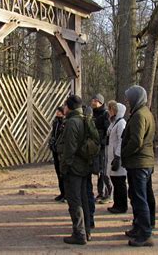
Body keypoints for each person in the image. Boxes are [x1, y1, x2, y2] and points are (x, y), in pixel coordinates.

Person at [121, 85, 156, 247]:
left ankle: (145, 233)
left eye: (129, 98)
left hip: (138, 162)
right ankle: (140, 227)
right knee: (141, 196)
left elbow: (136, 141)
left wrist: (124, 153)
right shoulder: (145, 113)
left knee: (139, 197)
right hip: (144, 162)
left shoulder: (139, 115)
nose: (127, 101)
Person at [57, 95, 91, 245]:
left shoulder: (72, 122)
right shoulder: (85, 119)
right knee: (83, 200)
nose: (63, 108)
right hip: (84, 165)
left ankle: (79, 233)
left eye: (65, 106)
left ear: (69, 107)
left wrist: (64, 167)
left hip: (74, 168)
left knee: (74, 201)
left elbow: (69, 148)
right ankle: (87, 231)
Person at [105, 100, 128, 214]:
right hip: (112, 156)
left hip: (117, 157)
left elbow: (121, 140)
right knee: (115, 181)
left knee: (120, 182)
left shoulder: (121, 123)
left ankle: (122, 205)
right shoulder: (114, 123)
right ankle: (117, 203)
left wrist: (118, 156)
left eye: (111, 109)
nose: (109, 111)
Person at [90, 94, 112, 204]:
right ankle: (100, 192)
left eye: (96, 100)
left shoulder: (105, 114)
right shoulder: (92, 114)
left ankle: (107, 193)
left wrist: (103, 142)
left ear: (101, 102)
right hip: (94, 146)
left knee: (103, 171)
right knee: (98, 171)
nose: (93, 102)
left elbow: (108, 130)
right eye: (93, 100)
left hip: (102, 147)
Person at [49, 106, 65, 202]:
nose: (57, 112)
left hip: (61, 151)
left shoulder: (64, 123)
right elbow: (53, 134)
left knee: (63, 172)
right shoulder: (55, 122)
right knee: (58, 172)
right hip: (55, 150)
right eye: (57, 111)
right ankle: (62, 192)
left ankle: (66, 194)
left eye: (59, 111)